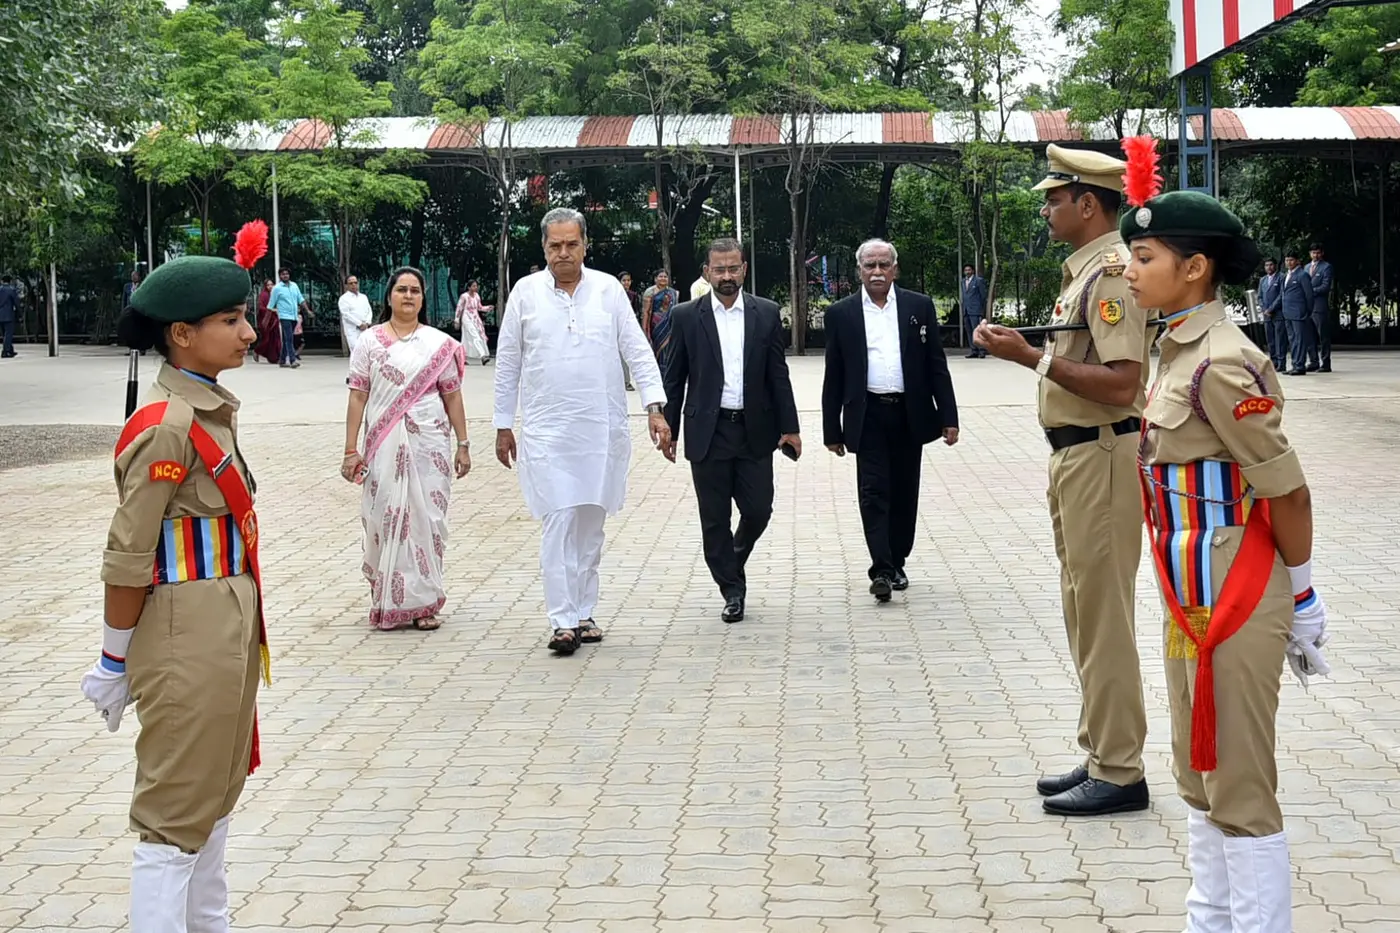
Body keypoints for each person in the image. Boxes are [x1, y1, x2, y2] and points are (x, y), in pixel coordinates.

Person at [1119, 156, 1331, 932]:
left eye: (1144, 258)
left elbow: (1289, 489)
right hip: (1188, 602)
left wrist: (1303, 596)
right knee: (1198, 774)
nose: (1131, 271)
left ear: (1195, 267)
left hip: (1237, 599)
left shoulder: (1223, 360)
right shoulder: (1170, 347)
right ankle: (1209, 919)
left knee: (1240, 782)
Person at [78, 252, 269, 933]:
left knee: (213, 799)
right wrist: (112, 659)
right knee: (173, 817)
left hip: (221, 627)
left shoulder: (205, 410)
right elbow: (128, 558)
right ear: (181, 334)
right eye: (231, 319)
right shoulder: (169, 425)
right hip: (187, 630)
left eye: (244, 317)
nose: (248, 333)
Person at [974, 143, 1150, 817]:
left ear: (1088, 203)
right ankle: (1103, 748)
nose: (1046, 207)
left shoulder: (1110, 273)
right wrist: (1029, 352)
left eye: (1055, 197)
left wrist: (1031, 358)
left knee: (1103, 616)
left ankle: (1121, 769)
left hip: (1101, 454)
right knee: (1084, 610)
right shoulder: (1084, 273)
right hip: (1077, 458)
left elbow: (1123, 383)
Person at [493, 208, 670, 655]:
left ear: (585, 245)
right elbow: (508, 362)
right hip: (546, 431)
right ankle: (562, 619)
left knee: (590, 524)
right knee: (558, 519)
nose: (563, 253)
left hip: (600, 428)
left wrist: (655, 408)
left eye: (571, 244)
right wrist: (502, 424)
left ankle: (584, 612)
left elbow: (637, 349)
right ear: (544, 248)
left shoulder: (608, 290)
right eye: (555, 246)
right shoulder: (525, 294)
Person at [661, 237, 801, 623]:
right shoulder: (687, 316)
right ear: (706, 272)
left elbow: (778, 374)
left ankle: (732, 560)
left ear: (744, 269)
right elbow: (674, 378)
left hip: (755, 430)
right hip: (709, 431)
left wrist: (790, 428)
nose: (726, 276)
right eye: (718, 269)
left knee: (759, 510)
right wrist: (668, 427)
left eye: (733, 268)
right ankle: (732, 591)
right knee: (714, 518)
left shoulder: (766, 313)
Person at [821, 238, 960, 602]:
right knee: (873, 492)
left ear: (895, 269)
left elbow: (936, 366)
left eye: (884, 265)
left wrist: (949, 417)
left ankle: (897, 560)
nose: (877, 272)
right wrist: (831, 429)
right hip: (867, 415)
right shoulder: (841, 314)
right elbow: (833, 375)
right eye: (870, 265)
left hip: (909, 414)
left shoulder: (919, 307)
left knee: (903, 491)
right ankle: (881, 568)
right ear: (860, 271)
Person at [342, 267, 471, 632]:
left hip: (429, 441)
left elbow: (452, 396)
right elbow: (358, 396)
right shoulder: (369, 343)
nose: (409, 296)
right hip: (382, 443)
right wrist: (350, 449)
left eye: (415, 290)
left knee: (427, 519)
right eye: (402, 290)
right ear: (388, 296)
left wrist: (463, 444)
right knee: (384, 516)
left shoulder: (439, 343)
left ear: (422, 298)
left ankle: (425, 603)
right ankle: (388, 598)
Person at [1279, 251, 1314, 376]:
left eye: (1291, 260)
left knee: (1300, 340)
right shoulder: (1285, 275)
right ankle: (1295, 364)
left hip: (1299, 312)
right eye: (1287, 260)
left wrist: (1307, 311)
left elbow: (1309, 296)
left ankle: (1300, 365)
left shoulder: (1302, 275)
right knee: (1292, 340)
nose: (1289, 263)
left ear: (1297, 261)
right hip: (1287, 312)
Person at [268, 267, 311, 368]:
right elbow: (271, 305)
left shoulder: (294, 286)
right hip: (284, 316)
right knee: (289, 338)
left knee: (287, 338)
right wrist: (270, 317)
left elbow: (300, 299)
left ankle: (282, 360)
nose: (285, 275)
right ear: (280, 276)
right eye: (283, 274)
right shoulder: (277, 288)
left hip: (294, 316)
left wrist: (307, 310)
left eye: (287, 274)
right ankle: (292, 360)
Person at [641, 269, 679, 364]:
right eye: (660, 276)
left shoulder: (673, 293)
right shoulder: (650, 292)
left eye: (665, 277)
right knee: (658, 348)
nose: (663, 278)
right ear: (655, 279)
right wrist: (644, 329)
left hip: (670, 325)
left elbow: (676, 310)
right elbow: (645, 312)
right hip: (656, 326)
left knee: (670, 349)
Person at [1307, 243, 1333, 372]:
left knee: (1323, 336)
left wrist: (1310, 291)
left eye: (1317, 253)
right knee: (1309, 336)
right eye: (1313, 253)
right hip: (1307, 307)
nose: (1315, 255)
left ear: (1321, 253)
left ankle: (1326, 363)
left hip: (1319, 306)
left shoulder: (1326, 267)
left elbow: (1325, 286)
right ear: (1310, 254)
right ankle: (1313, 361)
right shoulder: (1306, 268)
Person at [454, 279, 493, 365]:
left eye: (476, 286)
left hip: (475, 318)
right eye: (473, 286)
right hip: (467, 317)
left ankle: (461, 358)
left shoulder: (477, 296)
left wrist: (487, 308)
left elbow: (479, 307)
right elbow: (459, 308)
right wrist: (457, 319)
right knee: (475, 336)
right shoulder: (464, 296)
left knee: (465, 338)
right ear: (469, 287)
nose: (476, 287)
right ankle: (482, 355)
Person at [1258, 259, 1285, 372]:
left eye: (1271, 265)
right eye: (1266, 265)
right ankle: (1273, 361)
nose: (1269, 267)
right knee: (1270, 339)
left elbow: (1281, 295)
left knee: (1280, 339)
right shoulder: (1263, 280)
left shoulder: (1281, 277)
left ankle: (1281, 363)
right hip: (1266, 315)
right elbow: (1260, 296)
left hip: (1278, 313)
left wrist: (1271, 308)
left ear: (1275, 266)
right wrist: (1264, 309)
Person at [338, 274, 373, 355]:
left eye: (355, 282)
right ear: (346, 285)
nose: (354, 285)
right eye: (351, 283)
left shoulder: (363, 297)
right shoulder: (343, 299)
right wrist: (359, 324)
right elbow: (346, 315)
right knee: (357, 353)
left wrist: (367, 322)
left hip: (365, 329)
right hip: (353, 330)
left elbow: (369, 311)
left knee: (367, 352)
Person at [619, 271, 642, 391]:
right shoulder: (615, 295)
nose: (626, 283)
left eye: (628, 280)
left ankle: (627, 381)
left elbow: (637, 312)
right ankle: (623, 381)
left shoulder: (633, 295)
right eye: (624, 280)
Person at [960, 263, 988, 358]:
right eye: (966, 270)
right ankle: (973, 350)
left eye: (969, 270)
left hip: (975, 310)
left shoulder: (978, 281)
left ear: (972, 271)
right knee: (969, 330)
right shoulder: (963, 281)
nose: (967, 272)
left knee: (977, 330)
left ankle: (981, 350)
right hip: (966, 310)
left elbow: (983, 296)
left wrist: (981, 308)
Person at [253, 278, 280, 364]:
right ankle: (257, 351)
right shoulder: (263, 295)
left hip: (274, 320)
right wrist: (272, 310)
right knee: (267, 339)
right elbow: (261, 308)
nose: (270, 286)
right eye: (268, 285)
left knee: (275, 339)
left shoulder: (275, 294)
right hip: (266, 321)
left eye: (272, 284)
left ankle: (274, 358)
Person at [0, 274, 18, 358]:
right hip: (8, 315)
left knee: (4, 334)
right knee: (8, 334)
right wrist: (19, 313)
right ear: (10, 281)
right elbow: (16, 302)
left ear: (2, 281)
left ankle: (10, 349)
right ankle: (5, 351)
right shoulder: (11, 290)